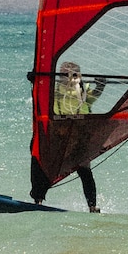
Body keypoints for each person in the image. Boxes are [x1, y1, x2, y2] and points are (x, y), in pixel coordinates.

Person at [33, 61, 105, 212]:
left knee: (85, 170)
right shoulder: (55, 90)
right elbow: (40, 96)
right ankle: (37, 201)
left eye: (72, 74)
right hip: (59, 134)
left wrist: (101, 85)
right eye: (63, 74)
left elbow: (93, 97)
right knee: (40, 163)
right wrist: (35, 80)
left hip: (79, 136)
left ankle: (92, 206)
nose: (67, 78)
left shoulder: (83, 90)